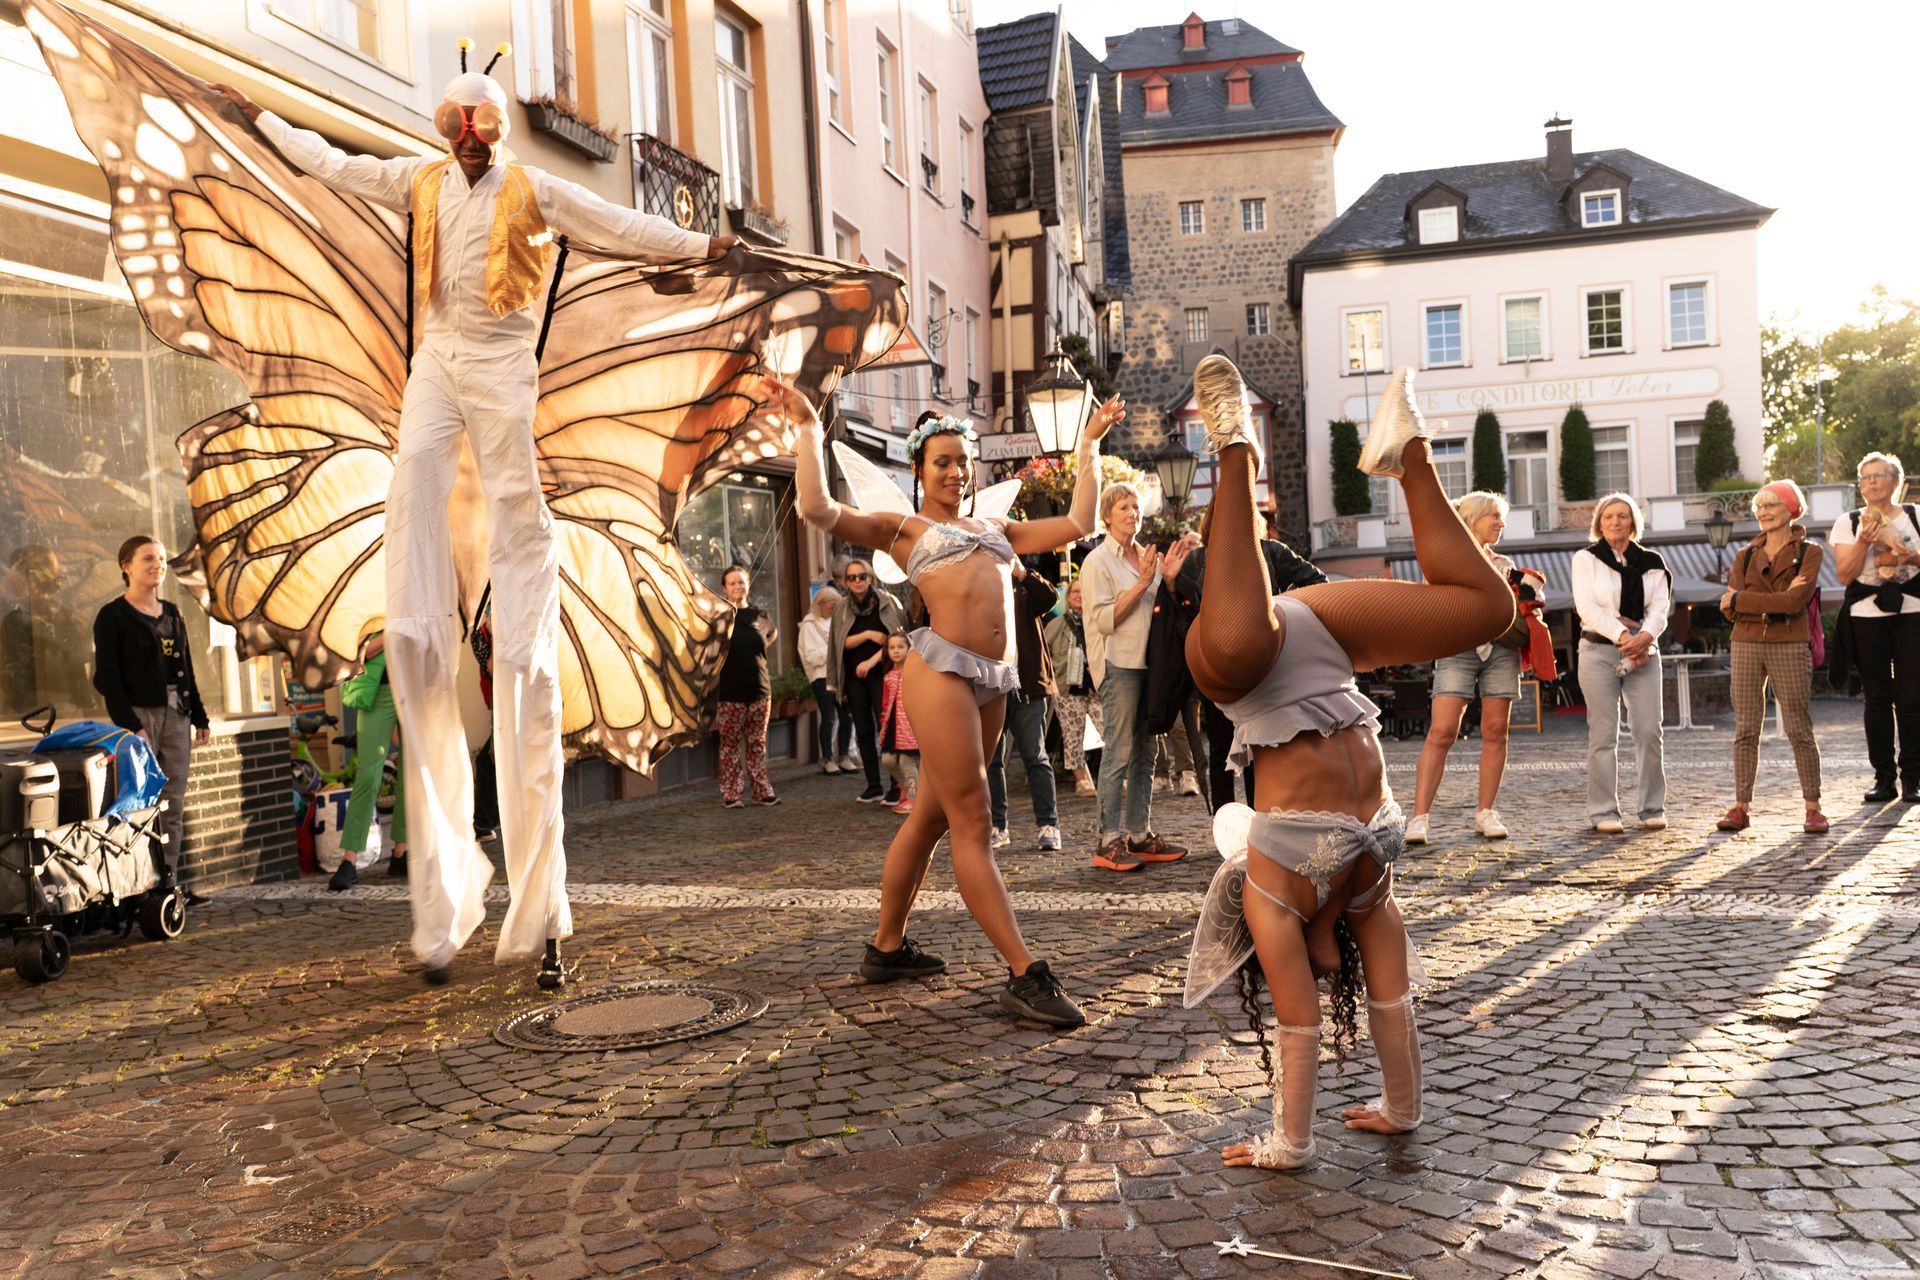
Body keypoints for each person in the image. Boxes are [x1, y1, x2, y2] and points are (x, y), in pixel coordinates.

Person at [212, 62, 735, 985]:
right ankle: (416, 605)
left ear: (496, 129)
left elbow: (617, 224)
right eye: (457, 123)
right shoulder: (417, 180)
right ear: (444, 125)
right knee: (413, 470)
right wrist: (262, 122)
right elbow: (333, 165)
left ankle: (522, 600)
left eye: (482, 124)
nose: (469, 139)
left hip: (500, 363)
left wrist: (700, 247)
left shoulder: (533, 188)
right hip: (439, 359)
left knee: (516, 508)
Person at [1176, 357, 1513, 1170]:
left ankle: (1234, 450)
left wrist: (1287, 1145)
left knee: (1236, 636)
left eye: (1314, 967)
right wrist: (1401, 1111)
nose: (1328, 975)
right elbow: (1393, 1000)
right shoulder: (1366, 895)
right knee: (1488, 608)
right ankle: (1409, 454)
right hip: (1320, 643)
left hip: (1244, 665)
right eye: (1337, 974)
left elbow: (1297, 1021)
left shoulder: (1266, 892)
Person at [777, 377, 1126, 1027]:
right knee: (974, 820)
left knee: (930, 820)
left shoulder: (996, 527)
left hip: (994, 678)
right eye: (942, 462)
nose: (956, 472)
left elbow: (1079, 523)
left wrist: (1088, 449)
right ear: (918, 469)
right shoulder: (903, 529)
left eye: (963, 461)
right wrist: (805, 428)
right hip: (940, 673)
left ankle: (886, 948)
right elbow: (819, 510)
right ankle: (1024, 972)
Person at [1406, 491, 1545, 845]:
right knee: (1442, 732)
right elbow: (1433, 605)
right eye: (1494, 516)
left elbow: (1519, 609)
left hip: (1501, 650)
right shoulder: (1445, 559)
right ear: (1471, 519)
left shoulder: (1506, 565)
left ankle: (1486, 812)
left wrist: (1529, 596)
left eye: (1501, 517)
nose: (1501, 523)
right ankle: (1419, 818)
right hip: (1458, 649)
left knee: (1496, 731)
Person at [1171, 505, 1327, 813]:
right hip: (1217, 664)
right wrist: (1173, 588)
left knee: (1263, 745)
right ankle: (1225, 822)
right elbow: (1179, 613)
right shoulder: (1197, 560)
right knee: (1221, 748)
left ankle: (1263, 820)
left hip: (1264, 665)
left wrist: (1283, 613)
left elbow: (1318, 581)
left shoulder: (1272, 551)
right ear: (1213, 520)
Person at [92, 536, 213, 904]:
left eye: (160, 559)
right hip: (138, 718)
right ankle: (136, 888)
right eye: (147, 558)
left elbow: (186, 668)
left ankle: (168, 884)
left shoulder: (172, 613)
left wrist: (200, 716)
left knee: (172, 803)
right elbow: (108, 679)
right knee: (136, 804)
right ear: (126, 566)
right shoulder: (113, 616)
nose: (157, 565)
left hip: (177, 715)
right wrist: (133, 726)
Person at [1081, 484, 1190, 872]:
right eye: (1124, 507)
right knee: (1120, 750)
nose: (1132, 513)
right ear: (1107, 517)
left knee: (1147, 753)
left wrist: (1169, 581)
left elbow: (1162, 612)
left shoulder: (1147, 557)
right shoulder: (1097, 561)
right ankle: (1108, 840)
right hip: (1119, 664)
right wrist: (1144, 582)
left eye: (1136, 507)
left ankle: (1139, 835)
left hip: (1151, 666)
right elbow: (1104, 620)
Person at [1717, 481, 1825, 833]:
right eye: (1760, 507)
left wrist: (1741, 599)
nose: (1763, 513)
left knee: (1798, 728)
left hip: (1789, 643)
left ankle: (1813, 808)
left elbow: (1793, 603)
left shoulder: (1809, 552)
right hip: (1746, 643)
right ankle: (1740, 807)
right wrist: (1751, 602)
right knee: (1746, 728)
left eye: (1772, 505)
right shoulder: (1745, 555)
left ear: (1792, 509)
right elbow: (1728, 609)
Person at [1572, 493, 1671, 834]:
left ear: (1633, 523)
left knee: (1649, 731)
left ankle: (1652, 808)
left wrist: (1645, 636)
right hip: (1598, 652)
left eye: (1622, 516)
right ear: (1599, 524)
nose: (1615, 522)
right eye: (1609, 516)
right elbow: (1587, 607)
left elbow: (1660, 607)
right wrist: (1624, 636)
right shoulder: (1586, 559)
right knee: (1603, 734)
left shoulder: (1652, 562)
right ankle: (1604, 812)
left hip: (1644, 653)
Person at [1830, 452, 1920, 802]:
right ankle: (1884, 778)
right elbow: (1844, 575)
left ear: (1894, 481)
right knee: (1877, 697)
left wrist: (1910, 557)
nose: (1870, 482)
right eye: (1864, 477)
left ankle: (1913, 777)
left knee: (1912, 697)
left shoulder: (1915, 515)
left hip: (1912, 611)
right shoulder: (1849, 521)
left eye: (1878, 475)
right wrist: (1864, 542)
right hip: (1867, 614)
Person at [987, 558, 1062, 851]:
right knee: (992, 759)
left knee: (1035, 754)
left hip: (1027, 683)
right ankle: (997, 826)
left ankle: (1049, 824)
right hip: (991, 686)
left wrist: (1022, 572)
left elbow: (1051, 599)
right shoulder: (979, 584)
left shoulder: (1022, 583)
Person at [329, 626, 409, 890]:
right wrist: (392, 632)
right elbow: (357, 652)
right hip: (379, 692)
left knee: (411, 774)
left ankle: (401, 850)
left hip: (412, 690)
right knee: (368, 775)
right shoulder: (369, 607)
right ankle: (349, 859)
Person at [828, 558, 908, 802]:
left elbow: (897, 640)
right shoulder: (841, 608)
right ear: (845, 582)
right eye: (851, 577)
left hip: (884, 675)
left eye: (862, 576)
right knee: (863, 730)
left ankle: (897, 787)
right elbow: (838, 643)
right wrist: (867, 634)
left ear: (870, 578)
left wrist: (872, 661)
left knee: (887, 730)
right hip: (854, 678)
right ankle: (873, 785)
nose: (857, 581)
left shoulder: (887, 602)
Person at [713, 565, 778, 809]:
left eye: (741, 582)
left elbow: (773, 633)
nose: (738, 587)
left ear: (748, 585)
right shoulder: (720, 616)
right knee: (730, 745)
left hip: (760, 689)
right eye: (732, 583)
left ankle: (761, 791)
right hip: (730, 692)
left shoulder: (760, 614)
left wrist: (759, 651)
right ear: (724, 588)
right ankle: (731, 793)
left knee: (757, 743)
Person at [1044, 577, 1099, 797]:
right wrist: (1052, 679)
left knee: (1109, 730)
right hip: (1067, 688)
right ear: (1068, 597)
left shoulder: (1097, 621)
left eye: (1083, 591)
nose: (1079, 595)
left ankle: (1116, 777)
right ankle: (1082, 782)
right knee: (1073, 735)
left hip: (1097, 687)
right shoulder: (1057, 624)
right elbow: (1044, 652)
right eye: (1075, 591)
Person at [799, 586, 845, 773]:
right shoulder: (809, 626)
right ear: (820, 604)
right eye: (831, 606)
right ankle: (827, 758)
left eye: (836, 607)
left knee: (846, 717)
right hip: (821, 677)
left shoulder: (837, 622)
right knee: (829, 718)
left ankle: (844, 756)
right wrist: (834, 650)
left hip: (840, 675)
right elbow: (811, 657)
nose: (833, 610)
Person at [876, 633, 919, 814]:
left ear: (909, 649)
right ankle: (905, 787)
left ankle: (914, 798)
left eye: (900, 647)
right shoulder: (888, 676)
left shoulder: (915, 674)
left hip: (909, 726)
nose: (896, 651)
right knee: (887, 760)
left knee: (906, 763)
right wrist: (883, 721)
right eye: (892, 647)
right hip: (892, 726)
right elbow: (885, 702)